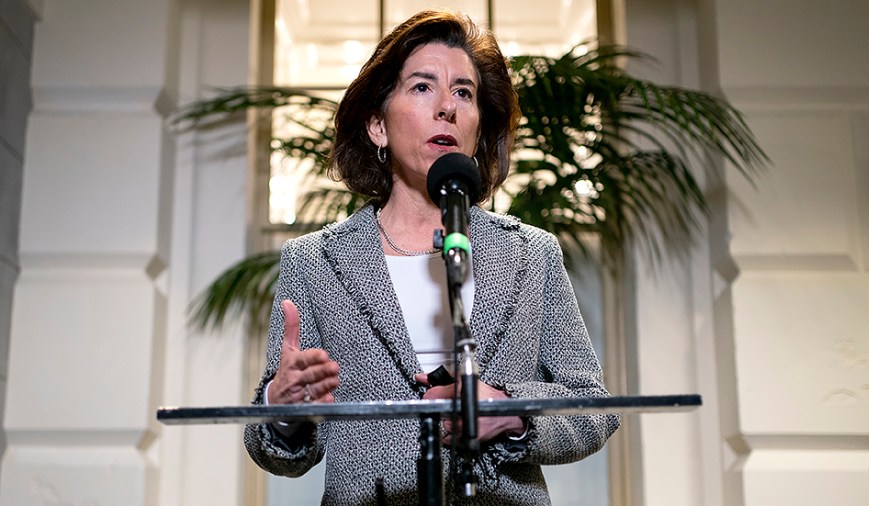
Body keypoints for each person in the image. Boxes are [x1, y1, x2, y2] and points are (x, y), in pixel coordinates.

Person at [244, 9, 619, 505]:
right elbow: (276, 451)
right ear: (377, 124)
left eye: (464, 92)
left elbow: (593, 408)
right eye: (423, 87)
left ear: (479, 125)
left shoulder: (532, 253)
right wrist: (283, 408)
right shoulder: (313, 261)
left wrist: (510, 411)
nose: (448, 107)